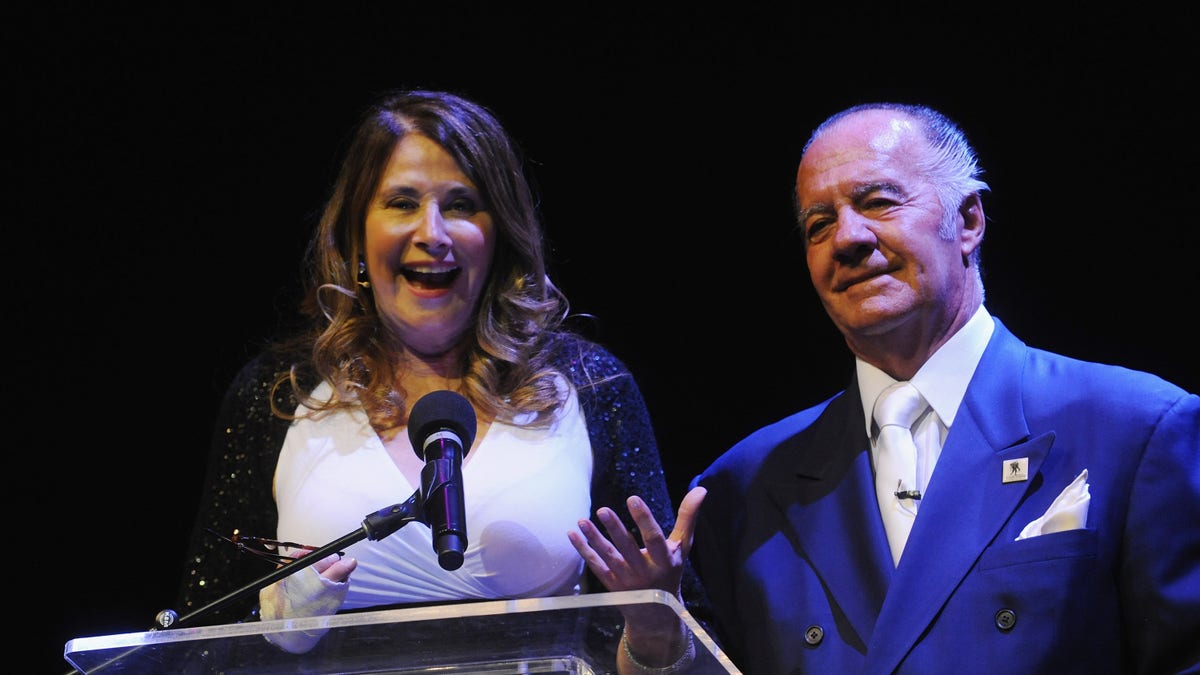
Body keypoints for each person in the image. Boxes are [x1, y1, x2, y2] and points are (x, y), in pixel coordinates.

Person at [571, 102, 1200, 673]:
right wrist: (655, 638)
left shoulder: (1136, 427)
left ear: (970, 220)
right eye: (819, 225)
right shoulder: (745, 486)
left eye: (878, 202)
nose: (847, 239)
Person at [173, 88, 693, 667]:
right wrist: (280, 619)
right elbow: (198, 639)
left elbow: (669, 639)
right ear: (356, 236)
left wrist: (654, 625)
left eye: (463, 204)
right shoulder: (279, 393)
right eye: (401, 202)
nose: (433, 233)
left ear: (499, 236)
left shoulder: (589, 387)